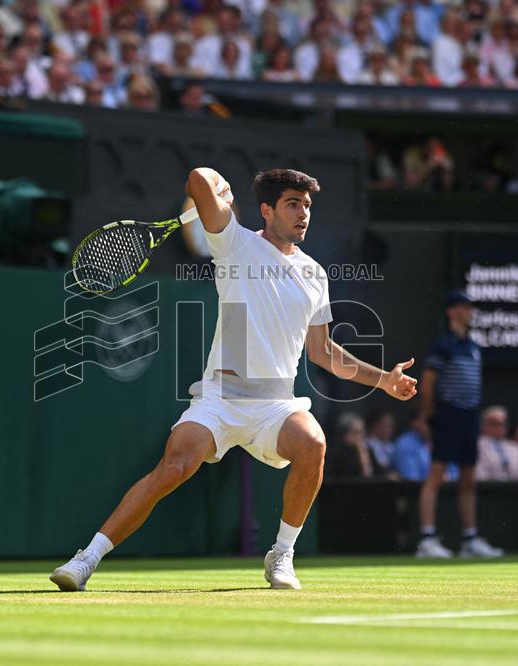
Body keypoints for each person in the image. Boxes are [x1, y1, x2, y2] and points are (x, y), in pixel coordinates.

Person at [49, 167, 418, 592]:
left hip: (276, 404)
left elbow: (324, 352)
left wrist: (384, 380)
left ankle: (281, 555)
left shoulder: (315, 275)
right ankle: (87, 559)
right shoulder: (234, 242)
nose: (303, 213)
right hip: (220, 398)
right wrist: (218, 183)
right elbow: (196, 179)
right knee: (173, 467)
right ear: (267, 210)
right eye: (292, 204)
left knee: (313, 444)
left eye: (307, 205)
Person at [415, 290, 503, 558]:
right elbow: (427, 386)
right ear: (452, 311)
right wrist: (429, 417)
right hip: (447, 414)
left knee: (469, 478)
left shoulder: (474, 347)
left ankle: (470, 540)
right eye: (464, 307)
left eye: (470, 307)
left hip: (469, 416)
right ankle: (427, 540)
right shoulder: (443, 346)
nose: (469, 312)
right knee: (436, 475)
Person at [475, 406, 518, 481]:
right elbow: (479, 475)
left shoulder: (515, 448)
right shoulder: (477, 445)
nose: (498, 428)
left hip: (514, 487)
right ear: (483, 426)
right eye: (494, 424)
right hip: (488, 486)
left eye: (501, 424)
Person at [326, 412, 374, 478]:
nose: (361, 436)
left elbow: (377, 473)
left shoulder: (368, 450)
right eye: (356, 433)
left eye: (362, 432)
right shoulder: (334, 453)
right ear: (345, 434)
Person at [364, 407, 397, 476]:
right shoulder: (366, 445)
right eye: (387, 426)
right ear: (375, 426)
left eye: (391, 426)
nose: (391, 429)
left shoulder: (390, 445)